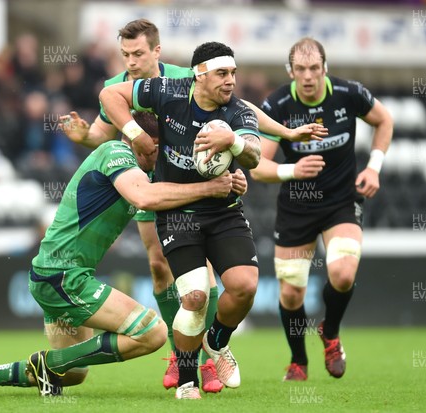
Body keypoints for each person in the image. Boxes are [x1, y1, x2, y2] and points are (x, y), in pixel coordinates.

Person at [59, 18, 325, 393]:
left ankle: (207, 353)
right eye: (125, 55)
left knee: (217, 277)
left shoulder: (191, 76)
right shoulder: (121, 87)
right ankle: (181, 354)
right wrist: (88, 136)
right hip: (148, 181)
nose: (131, 62)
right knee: (162, 269)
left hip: (210, 192)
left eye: (137, 53)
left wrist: (280, 133)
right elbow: (102, 134)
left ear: (156, 51)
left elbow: (243, 108)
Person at [0, 138, 245, 397]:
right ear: (135, 136)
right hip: (62, 277)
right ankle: (46, 363)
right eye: (156, 144)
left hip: (57, 277)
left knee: (72, 373)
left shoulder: (144, 172)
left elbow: (172, 195)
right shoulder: (116, 154)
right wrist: (206, 188)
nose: (161, 152)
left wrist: (230, 183)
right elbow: (145, 197)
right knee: (151, 333)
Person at [98, 41, 264, 400]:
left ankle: (217, 342)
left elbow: (253, 154)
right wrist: (137, 135)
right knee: (195, 298)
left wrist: (231, 140)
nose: (230, 81)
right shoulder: (168, 91)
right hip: (177, 216)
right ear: (199, 75)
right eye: (222, 73)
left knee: (245, 286)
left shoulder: (238, 112)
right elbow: (110, 94)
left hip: (224, 212)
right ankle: (188, 380)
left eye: (233, 73)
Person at [250, 37, 393, 381]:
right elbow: (257, 166)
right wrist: (292, 170)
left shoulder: (348, 94)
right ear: (291, 71)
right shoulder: (278, 104)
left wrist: (374, 166)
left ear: (325, 68)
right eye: (300, 69)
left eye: (315, 68)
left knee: (343, 275)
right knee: (291, 290)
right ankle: (298, 360)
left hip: (340, 201)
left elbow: (384, 121)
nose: (308, 75)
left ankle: (329, 333)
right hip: (297, 206)